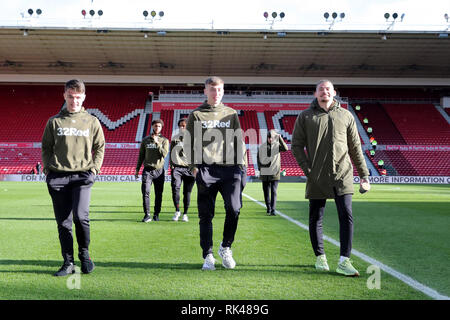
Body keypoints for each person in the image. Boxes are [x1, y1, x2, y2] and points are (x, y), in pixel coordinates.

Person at [291, 79, 370, 277]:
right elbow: (296, 145)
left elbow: (355, 148)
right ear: (315, 93)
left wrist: (364, 175)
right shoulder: (305, 116)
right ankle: (320, 257)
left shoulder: (346, 115)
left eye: (328, 89)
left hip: (342, 174)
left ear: (334, 92)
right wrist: (307, 169)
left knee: (347, 216)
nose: (324, 91)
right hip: (316, 175)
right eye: (320, 89)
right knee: (316, 217)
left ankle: (344, 261)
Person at [41, 79, 105, 277]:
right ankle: (68, 262)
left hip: (82, 176)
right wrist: (47, 169)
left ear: (83, 97)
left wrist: (94, 169)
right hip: (58, 177)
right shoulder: (54, 121)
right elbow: (46, 147)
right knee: (63, 223)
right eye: (70, 96)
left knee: (81, 217)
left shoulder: (92, 121)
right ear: (65, 96)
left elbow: (100, 147)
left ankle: (84, 255)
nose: (74, 101)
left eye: (78, 97)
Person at [185, 76, 246, 270]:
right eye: (212, 89)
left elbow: (239, 141)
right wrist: (194, 168)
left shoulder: (231, 113)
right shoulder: (196, 115)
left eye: (219, 89)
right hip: (206, 170)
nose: (216, 93)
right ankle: (208, 255)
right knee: (206, 215)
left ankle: (225, 247)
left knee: (234, 209)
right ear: (205, 91)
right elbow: (188, 144)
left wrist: (242, 167)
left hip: (231, 169)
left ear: (223, 91)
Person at [135, 119, 169, 222]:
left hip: (159, 170)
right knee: (145, 192)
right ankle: (147, 215)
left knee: (159, 194)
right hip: (147, 170)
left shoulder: (164, 140)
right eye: (155, 126)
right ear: (152, 126)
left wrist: (157, 142)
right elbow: (141, 155)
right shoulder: (145, 140)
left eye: (159, 126)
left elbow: (164, 154)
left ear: (161, 128)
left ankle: (156, 214)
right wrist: (137, 169)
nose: (157, 128)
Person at [257, 130, 288, 215]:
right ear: (267, 138)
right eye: (269, 138)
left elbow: (286, 148)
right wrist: (260, 169)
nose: (270, 139)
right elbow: (258, 158)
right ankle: (268, 208)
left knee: (274, 191)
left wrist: (280, 138)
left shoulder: (277, 146)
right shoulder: (262, 147)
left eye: (272, 138)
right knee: (266, 191)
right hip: (265, 173)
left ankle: (273, 210)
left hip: (275, 172)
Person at [170, 118, 195, 222]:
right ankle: (177, 211)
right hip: (177, 168)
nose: (182, 127)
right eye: (180, 125)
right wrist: (172, 165)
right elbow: (171, 152)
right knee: (175, 189)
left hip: (190, 169)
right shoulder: (175, 138)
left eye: (184, 125)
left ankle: (185, 214)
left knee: (187, 192)